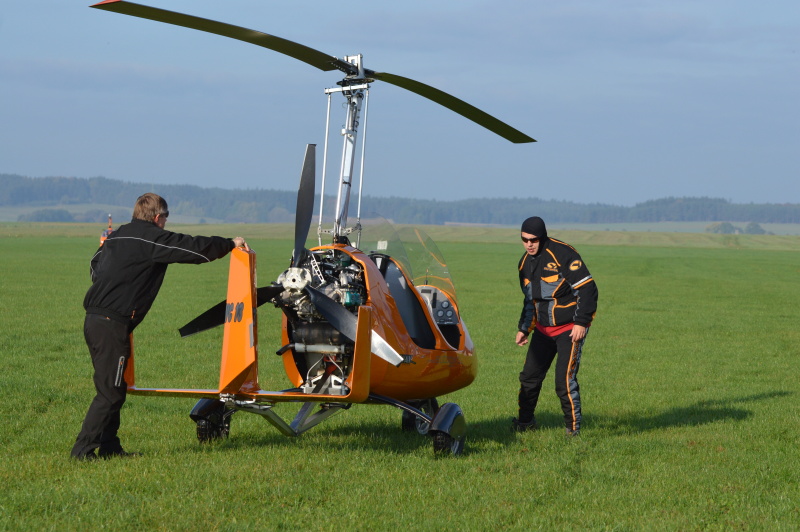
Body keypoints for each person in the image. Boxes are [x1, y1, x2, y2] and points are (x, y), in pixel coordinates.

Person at [71, 193, 248, 460]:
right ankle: (82, 451)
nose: (166, 222)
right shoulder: (151, 238)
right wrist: (230, 244)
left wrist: (109, 285)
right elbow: (192, 248)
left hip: (95, 320)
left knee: (114, 389)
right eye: (166, 217)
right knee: (109, 393)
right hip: (111, 325)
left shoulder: (117, 236)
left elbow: (94, 264)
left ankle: (109, 447)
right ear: (157, 217)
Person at [512, 216, 598, 436]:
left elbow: (588, 289)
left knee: (563, 381)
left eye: (533, 240)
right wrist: (524, 328)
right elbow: (530, 300)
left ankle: (573, 430)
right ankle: (525, 423)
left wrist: (581, 322)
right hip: (543, 330)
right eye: (524, 239)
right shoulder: (524, 263)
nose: (529, 244)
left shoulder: (563, 253)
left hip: (569, 329)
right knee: (529, 378)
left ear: (542, 237)